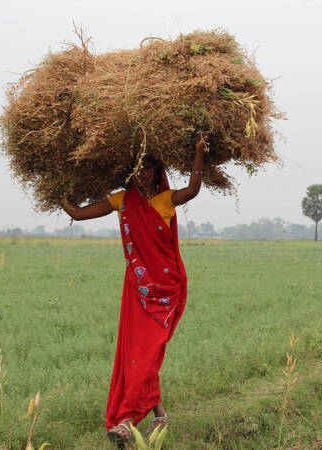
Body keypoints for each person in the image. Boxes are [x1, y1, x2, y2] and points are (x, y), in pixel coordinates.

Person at [61, 137, 207, 448]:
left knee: (148, 353)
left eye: (147, 169)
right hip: (137, 292)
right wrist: (56, 187)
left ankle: (126, 420)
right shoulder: (121, 200)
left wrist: (197, 152)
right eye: (137, 170)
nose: (141, 175)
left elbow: (192, 191)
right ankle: (152, 416)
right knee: (139, 354)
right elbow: (77, 213)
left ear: (157, 172)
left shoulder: (167, 199)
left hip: (165, 292)